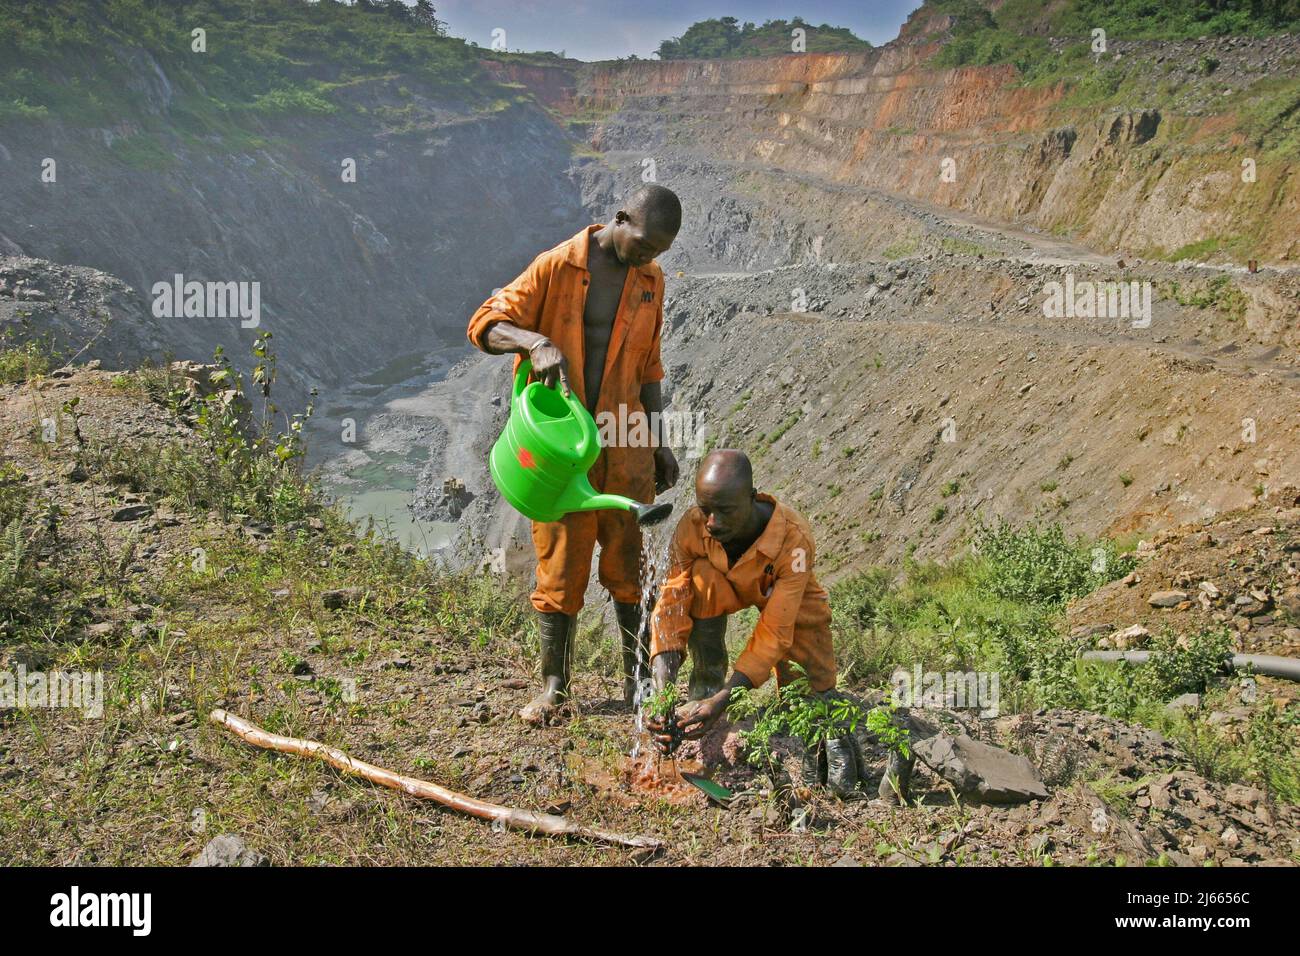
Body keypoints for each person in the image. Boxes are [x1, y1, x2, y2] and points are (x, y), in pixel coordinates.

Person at [466, 185, 683, 724]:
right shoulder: (556, 267)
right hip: (563, 452)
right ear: (619, 218)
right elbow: (484, 324)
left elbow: (650, 370)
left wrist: (658, 441)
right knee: (560, 571)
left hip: (625, 448)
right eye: (643, 244)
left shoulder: (650, 281)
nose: (648, 258)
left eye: (659, 251)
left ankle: (637, 686)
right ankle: (555, 690)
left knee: (629, 570)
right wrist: (532, 342)